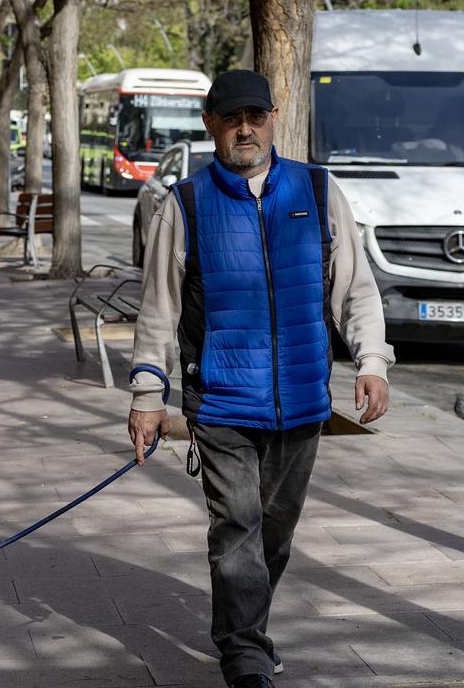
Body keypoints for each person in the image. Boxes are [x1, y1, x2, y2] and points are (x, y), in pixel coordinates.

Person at [125, 70, 393, 688]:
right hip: (219, 400)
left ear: (274, 116)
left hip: (303, 401)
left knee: (275, 533)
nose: (244, 128)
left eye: (255, 115)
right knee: (237, 526)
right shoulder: (186, 203)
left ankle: (247, 629)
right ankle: (244, 654)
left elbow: (355, 288)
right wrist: (146, 397)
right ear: (210, 124)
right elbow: (159, 309)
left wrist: (372, 362)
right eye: (230, 117)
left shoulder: (318, 189)